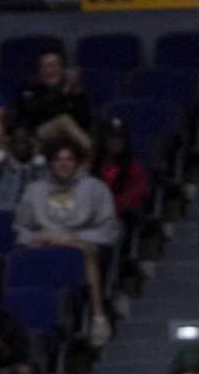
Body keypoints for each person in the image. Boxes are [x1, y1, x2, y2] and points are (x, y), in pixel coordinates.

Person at [14, 141, 122, 347]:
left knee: (83, 251)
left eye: (69, 159)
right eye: (58, 160)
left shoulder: (95, 188)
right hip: (44, 248)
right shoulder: (34, 190)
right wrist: (35, 239)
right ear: (50, 164)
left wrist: (71, 239)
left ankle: (98, 317)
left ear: (78, 163)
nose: (64, 164)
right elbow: (21, 228)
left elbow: (109, 229)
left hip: (82, 248)